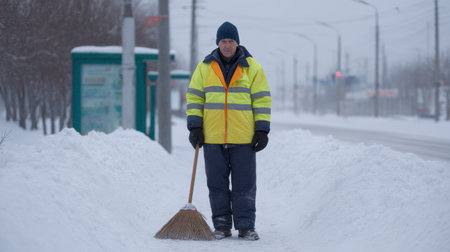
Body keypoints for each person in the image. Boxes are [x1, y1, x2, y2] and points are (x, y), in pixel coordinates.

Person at [186, 21, 271, 241]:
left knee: (245, 185)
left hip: (244, 138)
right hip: (213, 137)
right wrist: (195, 126)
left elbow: (261, 100)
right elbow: (195, 96)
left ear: (237, 42)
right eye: (223, 41)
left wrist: (262, 130)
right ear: (218, 43)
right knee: (217, 184)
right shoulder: (204, 67)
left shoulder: (252, 67)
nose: (227, 45)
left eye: (231, 41)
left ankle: (245, 226)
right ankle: (222, 225)